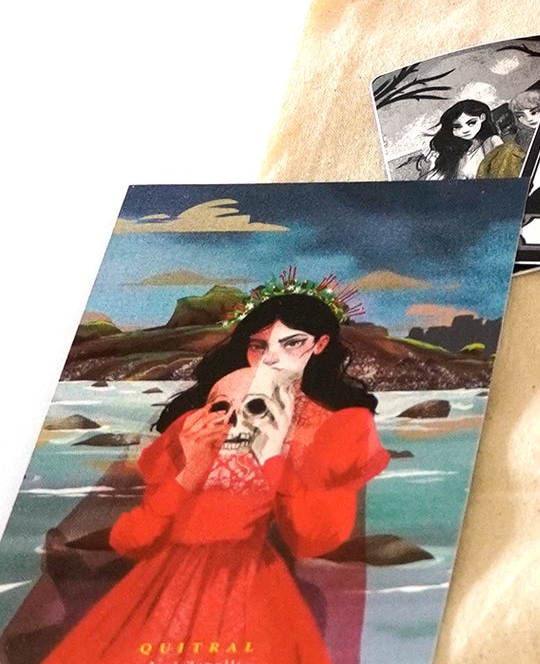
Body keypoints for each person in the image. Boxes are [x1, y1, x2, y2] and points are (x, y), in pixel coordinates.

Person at [45, 280, 387, 664]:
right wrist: (190, 467)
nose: (271, 360)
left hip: (251, 583)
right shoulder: (203, 419)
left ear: (320, 344)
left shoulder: (335, 426)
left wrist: (275, 457)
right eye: (259, 346)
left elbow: (314, 538)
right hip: (163, 582)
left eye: (292, 343)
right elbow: (135, 538)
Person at [399, 97, 506, 180]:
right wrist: (429, 165)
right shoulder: (456, 151)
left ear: (482, 117)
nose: (465, 130)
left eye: (471, 123)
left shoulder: (492, 141)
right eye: (457, 127)